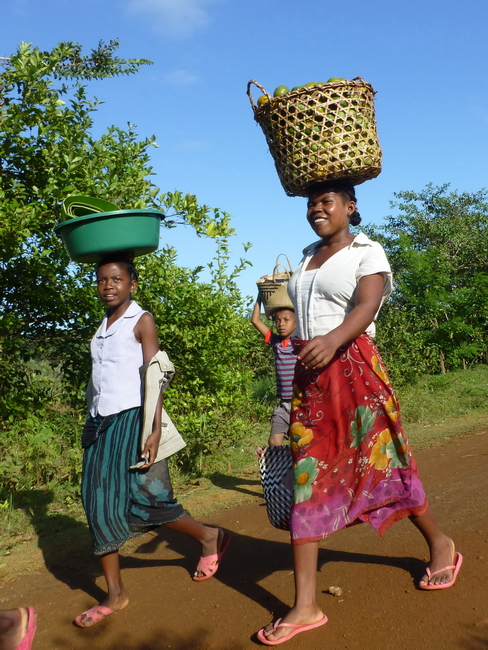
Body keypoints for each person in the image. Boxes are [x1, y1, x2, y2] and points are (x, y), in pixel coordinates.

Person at [257, 180, 462, 645]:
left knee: (385, 464)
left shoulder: (368, 251)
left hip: (353, 370)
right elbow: (292, 313)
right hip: (311, 378)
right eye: (311, 203)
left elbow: (367, 305)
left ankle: (439, 543)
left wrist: (332, 340)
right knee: (307, 476)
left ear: (350, 207)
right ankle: (305, 605)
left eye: (326, 201)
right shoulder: (306, 256)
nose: (316, 209)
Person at [75, 253, 230, 628]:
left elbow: (155, 375)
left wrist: (154, 428)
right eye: (101, 280)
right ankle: (116, 593)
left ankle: (209, 536)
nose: (108, 286)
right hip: (100, 424)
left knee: (146, 501)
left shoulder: (141, 321)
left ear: (132, 284)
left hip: (133, 422)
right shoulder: (104, 324)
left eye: (116, 279)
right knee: (95, 501)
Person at [251, 298, 297, 446]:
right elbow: (255, 321)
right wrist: (260, 298)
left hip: (301, 401)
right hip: (283, 403)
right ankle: (281, 469)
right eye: (277, 321)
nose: (281, 324)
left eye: (286, 320)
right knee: (274, 441)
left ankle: (296, 468)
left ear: (297, 323)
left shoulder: (300, 342)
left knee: (299, 442)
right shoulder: (275, 342)